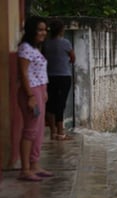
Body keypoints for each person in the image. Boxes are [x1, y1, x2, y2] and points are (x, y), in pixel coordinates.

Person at [17, 16, 53, 181]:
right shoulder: (25, 48)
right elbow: (23, 73)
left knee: (38, 130)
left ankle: (34, 164)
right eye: (39, 29)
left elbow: (38, 72)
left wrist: (43, 91)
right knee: (30, 130)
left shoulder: (36, 48)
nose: (43, 32)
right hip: (30, 92)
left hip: (39, 90)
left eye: (45, 29)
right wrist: (31, 95)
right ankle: (25, 169)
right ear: (32, 30)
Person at [43, 19, 75, 141]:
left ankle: (53, 132)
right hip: (64, 77)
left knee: (50, 104)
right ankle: (61, 132)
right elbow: (73, 58)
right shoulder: (66, 43)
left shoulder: (46, 43)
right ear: (62, 30)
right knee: (60, 104)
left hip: (49, 76)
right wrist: (66, 61)